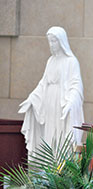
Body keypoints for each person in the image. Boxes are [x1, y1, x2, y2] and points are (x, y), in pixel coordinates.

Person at [18, 26, 84, 157]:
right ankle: (48, 168)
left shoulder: (71, 61)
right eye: (50, 41)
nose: (51, 44)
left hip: (61, 104)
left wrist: (71, 103)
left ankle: (60, 168)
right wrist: (32, 98)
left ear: (61, 41)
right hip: (49, 103)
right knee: (49, 135)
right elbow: (43, 84)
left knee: (61, 135)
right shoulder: (51, 61)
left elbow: (76, 85)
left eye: (54, 41)